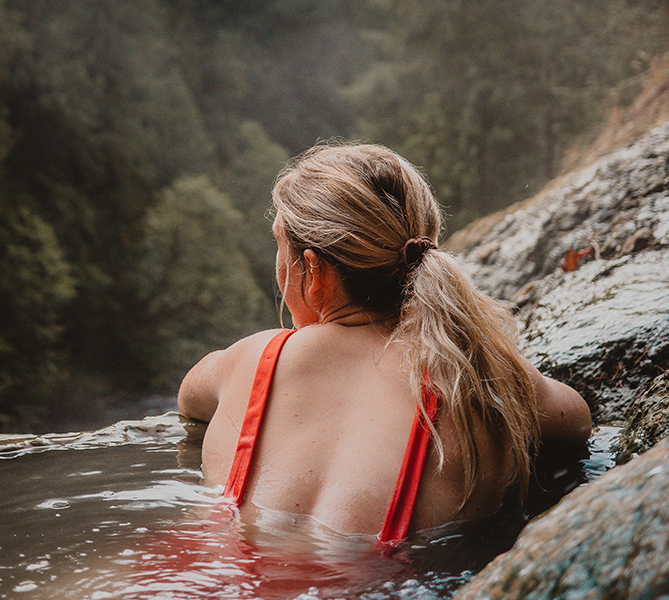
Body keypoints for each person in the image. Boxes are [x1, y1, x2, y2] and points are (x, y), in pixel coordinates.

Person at [177, 142, 591, 547]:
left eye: (279, 247)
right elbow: (576, 422)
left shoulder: (250, 359)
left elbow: (190, 399)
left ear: (313, 270)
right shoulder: (480, 379)